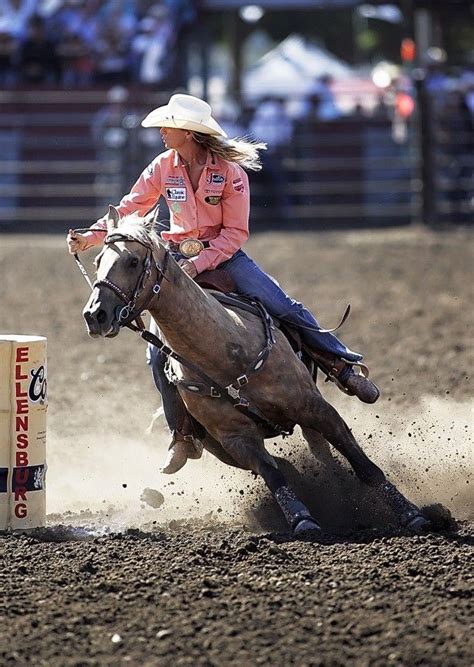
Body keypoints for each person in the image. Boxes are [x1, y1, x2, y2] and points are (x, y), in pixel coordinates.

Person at [67, 94, 380, 474]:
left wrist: (199, 263)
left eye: (168, 126)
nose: (162, 131)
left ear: (189, 132)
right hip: (176, 260)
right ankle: (182, 434)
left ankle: (340, 365)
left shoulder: (229, 172)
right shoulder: (163, 166)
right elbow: (130, 206)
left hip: (225, 257)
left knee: (282, 306)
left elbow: (234, 233)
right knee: (157, 353)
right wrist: (91, 236)